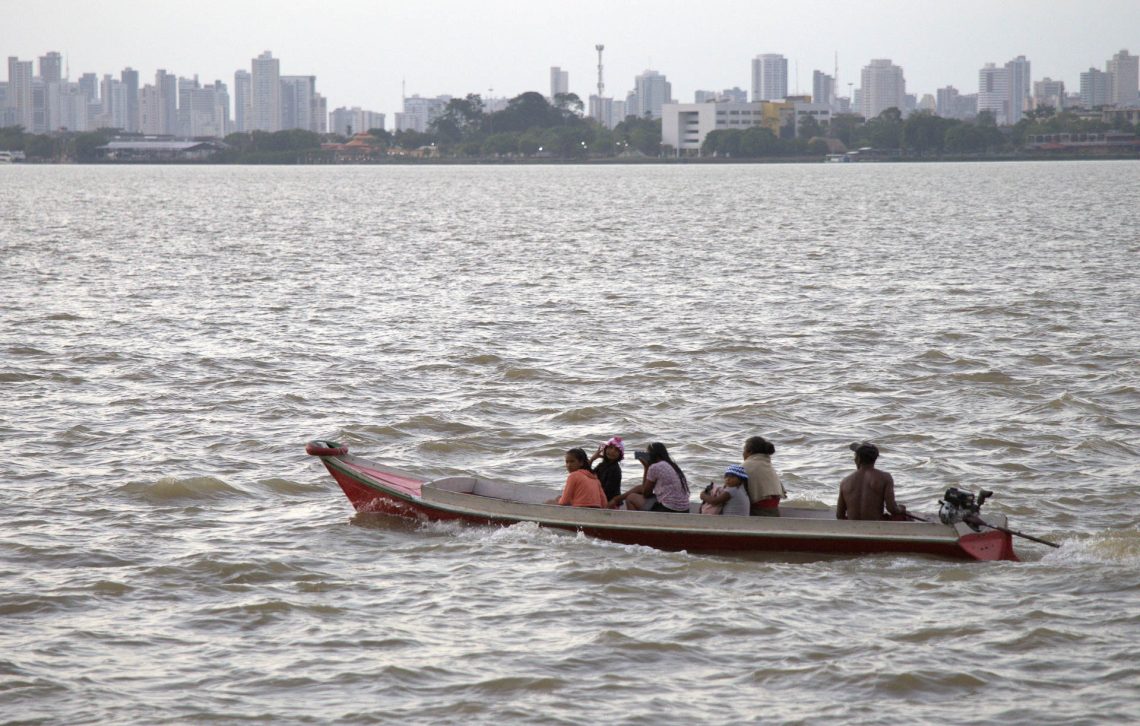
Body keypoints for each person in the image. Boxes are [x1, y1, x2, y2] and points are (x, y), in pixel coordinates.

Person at [836, 442, 906, 520]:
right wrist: (901, 509)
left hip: (853, 527)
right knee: (903, 516)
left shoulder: (845, 481)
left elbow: (839, 515)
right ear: (875, 459)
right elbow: (892, 509)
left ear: (858, 459)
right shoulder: (885, 477)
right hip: (876, 526)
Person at [613, 442, 690, 513]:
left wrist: (646, 467)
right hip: (685, 509)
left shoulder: (654, 467)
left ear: (653, 455)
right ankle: (617, 500)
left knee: (631, 498)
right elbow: (644, 488)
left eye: (648, 453)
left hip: (667, 509)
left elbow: (646, 493)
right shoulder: (672, 465)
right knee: (639, 488)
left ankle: (638, 525)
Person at [741, 435, 786, 516]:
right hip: (774, 511)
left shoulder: (746, 465)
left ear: (749, 451)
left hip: (759, 511)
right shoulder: (767, 464)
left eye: (744, 450)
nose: (743, 453)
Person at [590, 436, 624, 503]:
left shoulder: (615, 470)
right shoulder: (602, 465)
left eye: (616, 450)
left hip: (609, 502)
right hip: (600, 497)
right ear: (605, 449)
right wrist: (592, 459)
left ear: (620, 455)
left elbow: (608, 492)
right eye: (610, 447)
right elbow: (589, 475)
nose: (612, 451)